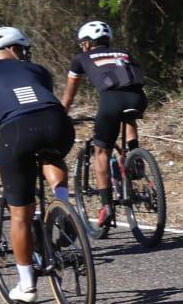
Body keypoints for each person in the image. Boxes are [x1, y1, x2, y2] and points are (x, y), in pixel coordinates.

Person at [0, 27, 74, 304]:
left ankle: (27, 285)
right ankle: (64, 204)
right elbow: (41, 98)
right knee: (49, 156)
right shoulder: (38, 69)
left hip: (17, 131)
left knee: (20, 214)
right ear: (17, 49)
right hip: (57, 123)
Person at [59, 21, 148, 231]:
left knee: (101, 151)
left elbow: (70, 93)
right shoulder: (124, 53)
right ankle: (134, 157)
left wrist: (61, 114)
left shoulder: (81, 58)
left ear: (88, 44)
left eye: (83, 43)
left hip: (111, 102)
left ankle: (107, 206)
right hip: (138, 99)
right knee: (129, 118)